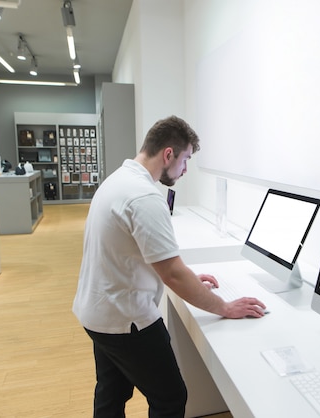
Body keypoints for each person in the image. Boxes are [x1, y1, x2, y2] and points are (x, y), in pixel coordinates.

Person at [72, 115, 266, 418]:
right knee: (170, 397)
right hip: (126, 319)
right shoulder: (145, 197)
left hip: (96, 313)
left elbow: (137, 255)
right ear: (168, 154)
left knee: (111, 393)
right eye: (186, 159)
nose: (186, 168)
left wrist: (189, 277)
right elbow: (173, 274)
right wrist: (225, 308)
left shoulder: (119, 180)